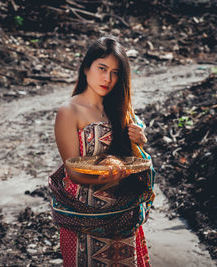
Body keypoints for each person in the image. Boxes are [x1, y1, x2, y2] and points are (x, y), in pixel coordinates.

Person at [49, 36, 155, 267]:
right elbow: (73, 172)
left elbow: (134, 157)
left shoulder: (120, 108)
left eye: (116, 72)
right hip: (85, 219)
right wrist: (107, 175)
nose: (108, 78)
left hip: (122, 216)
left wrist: (140, 141)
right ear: (86, 68)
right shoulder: (69, 111)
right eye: (102, 68)